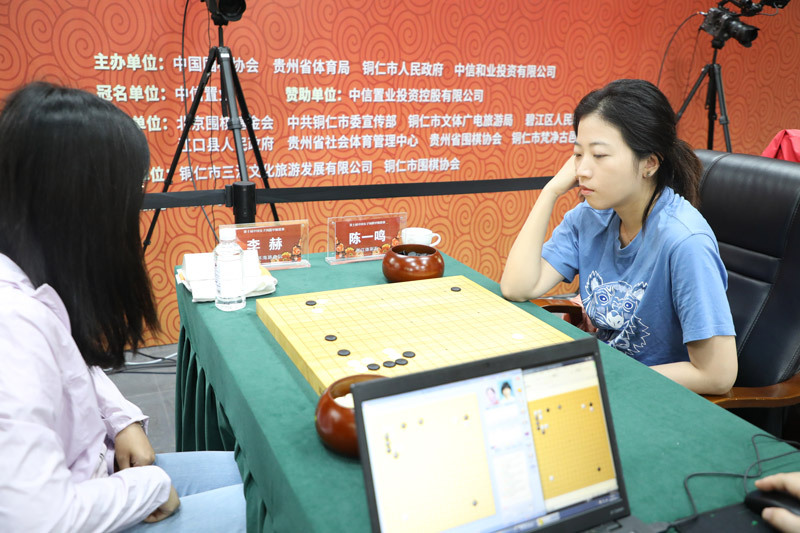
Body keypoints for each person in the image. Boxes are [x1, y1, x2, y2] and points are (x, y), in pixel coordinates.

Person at [0, 82, 246, 532]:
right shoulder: (12, 324)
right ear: (80, 208)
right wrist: (149, 488)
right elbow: (36, 520)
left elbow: (73, 366)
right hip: (78, 508)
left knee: (256, 475)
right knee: (273, 508)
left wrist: (122, 419)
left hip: (96, 470)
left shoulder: (27, 280)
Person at [500, 79, 737, 396]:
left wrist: (607, 375)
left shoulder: (685, 241)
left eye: (599, 155)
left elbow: (718, 375)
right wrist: (550, 191)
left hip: (653, 396)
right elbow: (517, 287)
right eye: (578, 154)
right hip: (607, 382)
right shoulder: (590, 217)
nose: (582, 170)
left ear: (649, 163)